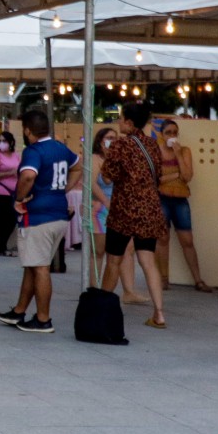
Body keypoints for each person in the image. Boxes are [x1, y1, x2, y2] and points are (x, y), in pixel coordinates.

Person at [0, 108, 80, 334]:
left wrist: (19, 199)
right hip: (59, 215)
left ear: (27, 130)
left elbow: (29, 176)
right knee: (33, 265)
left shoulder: (34, 151)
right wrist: (62, 189)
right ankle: (19, 310)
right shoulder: (61, 148)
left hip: (38, 217)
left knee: (40, 267)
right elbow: (78, 166)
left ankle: (43, 319)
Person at [100, 102, 168, 330]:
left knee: (114, 260)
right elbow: (158, 174)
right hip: (150, 209)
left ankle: (103, 307)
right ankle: (159, 313)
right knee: (148, 260)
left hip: (125, 210)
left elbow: (108, 177)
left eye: (121, 119)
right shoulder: (152, 144)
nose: (118, 123)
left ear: (129, 122)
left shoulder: (121, 145)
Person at [156, 119, 214, 292]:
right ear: (161, 134)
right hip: (161, 198)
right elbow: (157, 179)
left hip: (180, 199)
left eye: (175, 132)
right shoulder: (156, 152)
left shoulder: (185, 151)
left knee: (187, 240)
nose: (172, 136)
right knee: (162, 238)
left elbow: (187, 176)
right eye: (168, 133)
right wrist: (177, 174)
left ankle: (198, 280)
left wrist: (178, 154)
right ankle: (163, 279)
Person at [87, 126, 141, 303]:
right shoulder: (95, 159)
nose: (113, 140)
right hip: (101, 208)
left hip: (120, 210)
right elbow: (93, 184)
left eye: (116, 138)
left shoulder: (121, 159)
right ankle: (94, 287)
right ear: (100, 141)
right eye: (110, 137)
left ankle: (129, 291)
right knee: (99, 251)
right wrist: (107, 202)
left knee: (126, 249)